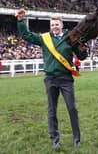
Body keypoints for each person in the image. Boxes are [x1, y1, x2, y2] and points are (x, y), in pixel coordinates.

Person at [15, 8, 88, 149]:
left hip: (66, 79)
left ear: (61, 24)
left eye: (57, 24)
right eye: (52, 24)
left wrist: (83, 47)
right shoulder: (45, 38)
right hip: (50, 79)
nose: (54, 26)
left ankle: (77, 139)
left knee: (72, 108)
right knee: (51, 110)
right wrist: (20, 21)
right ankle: (55, 140)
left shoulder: (70, 37)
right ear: (50, 26)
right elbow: (27, 35)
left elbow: (82, 56)